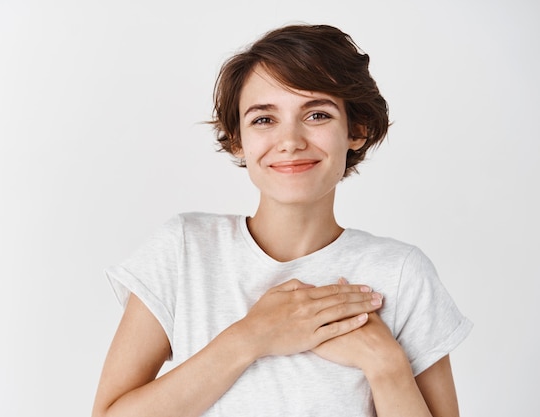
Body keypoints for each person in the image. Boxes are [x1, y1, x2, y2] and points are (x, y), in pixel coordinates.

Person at [92, 24, 472, 417]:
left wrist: (385, 364)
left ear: (356, 130)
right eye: (263, 120)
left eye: (317, 114)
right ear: (237, 137)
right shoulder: (185, 250)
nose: (290, 140)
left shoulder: (401, 274)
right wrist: (252, 337)